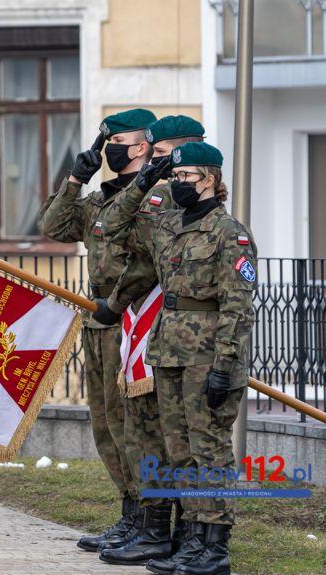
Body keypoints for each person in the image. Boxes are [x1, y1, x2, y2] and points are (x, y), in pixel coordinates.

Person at [97, 141, 256, 575]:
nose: (178, 183)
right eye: (176, 176)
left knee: (209, 451)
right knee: (179, 451)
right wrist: (141, 183)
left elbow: (238, 306)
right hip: (168, 352)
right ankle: (191, 541)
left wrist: (225, 365)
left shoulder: (230, 233)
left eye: (186, 177)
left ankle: (215, 548)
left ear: (210, 179)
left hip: (208, 358)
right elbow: (109, 227)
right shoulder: (168, 224)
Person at [38, 108, 156, 552]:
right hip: (97, 316)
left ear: (141, 147)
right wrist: (74, 180)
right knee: (105, 422)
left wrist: (118, 303)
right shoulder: (98, 200)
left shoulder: (153, 196)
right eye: (105, 143)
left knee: (133, 424)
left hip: (133, 316)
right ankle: (129, 511)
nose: (110, 151)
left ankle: (150, 519)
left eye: (117, 143)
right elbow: (52, 226)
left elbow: (151, 262)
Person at [92, 115, 207, 567]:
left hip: (175, 332)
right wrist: (140, 183)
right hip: (147, 324)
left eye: (160, 155)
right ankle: (152, 528)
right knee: (144, 433)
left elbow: (147, 263)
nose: (155, 163)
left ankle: (180, 534)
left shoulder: (187, 203)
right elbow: (112, 230)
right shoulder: (154, 192)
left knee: (170, 438)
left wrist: (115, 303)